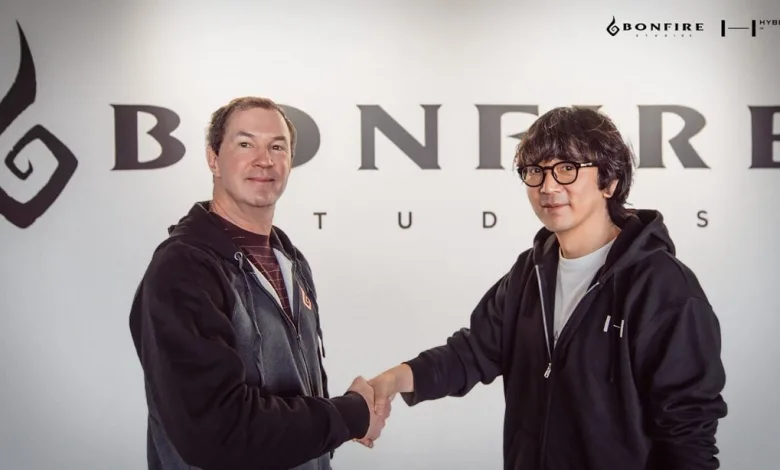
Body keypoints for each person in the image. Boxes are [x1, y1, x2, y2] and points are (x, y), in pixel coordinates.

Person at [367, 107, 728, 469]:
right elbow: (471, 353)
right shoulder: (531, 271)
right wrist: (393, 380)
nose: (548, 186)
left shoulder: (663, 287)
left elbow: (687, 439)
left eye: (567, 168)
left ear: (610, 182)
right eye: (535, 171)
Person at [129, 96, 385, 470]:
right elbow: (217, 432)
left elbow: (298, 392)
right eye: (246, 144)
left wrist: (342, 420)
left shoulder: (290, 259)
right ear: (213, 158)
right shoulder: (183, 269)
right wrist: (351, 415)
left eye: (277, 147)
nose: (264, 160)